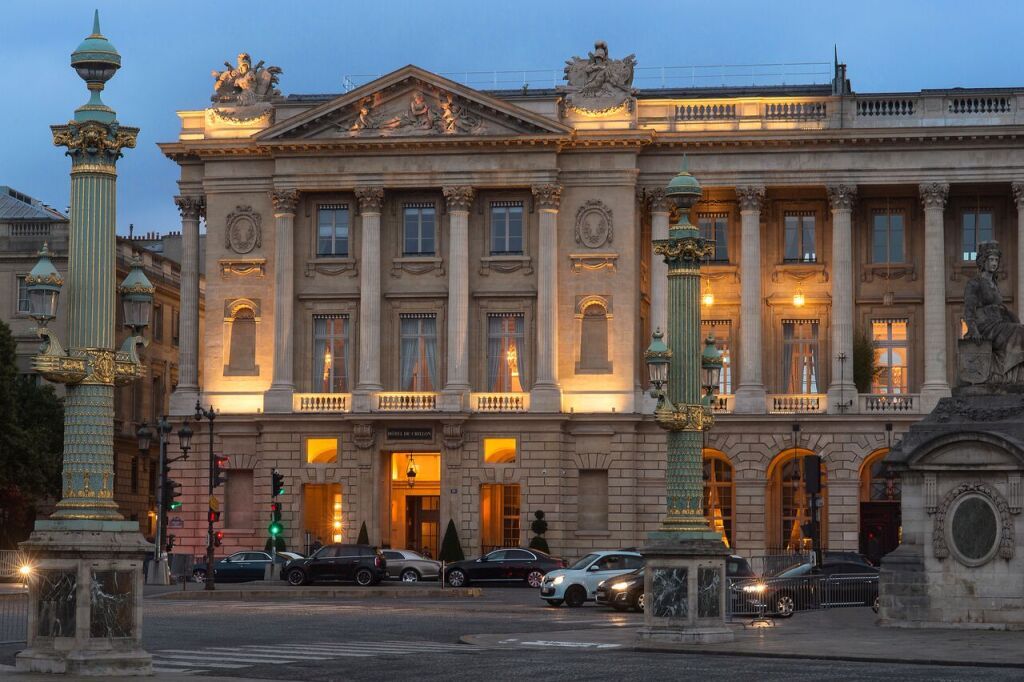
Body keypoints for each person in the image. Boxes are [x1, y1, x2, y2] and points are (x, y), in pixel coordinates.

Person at [964, 241, 1024, 383]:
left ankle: (1012, 375)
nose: (994, 263)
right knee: (1018, 332)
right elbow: (968, 310)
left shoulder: (994, 284)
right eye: (991, 259)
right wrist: (974, 331)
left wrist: (1008, 314)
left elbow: (999, 308)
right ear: (983, 261)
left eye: (996, 260)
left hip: (998, 324)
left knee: (1020, 330)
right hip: (985, 327)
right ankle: (1007, 373)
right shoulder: (974, 283)